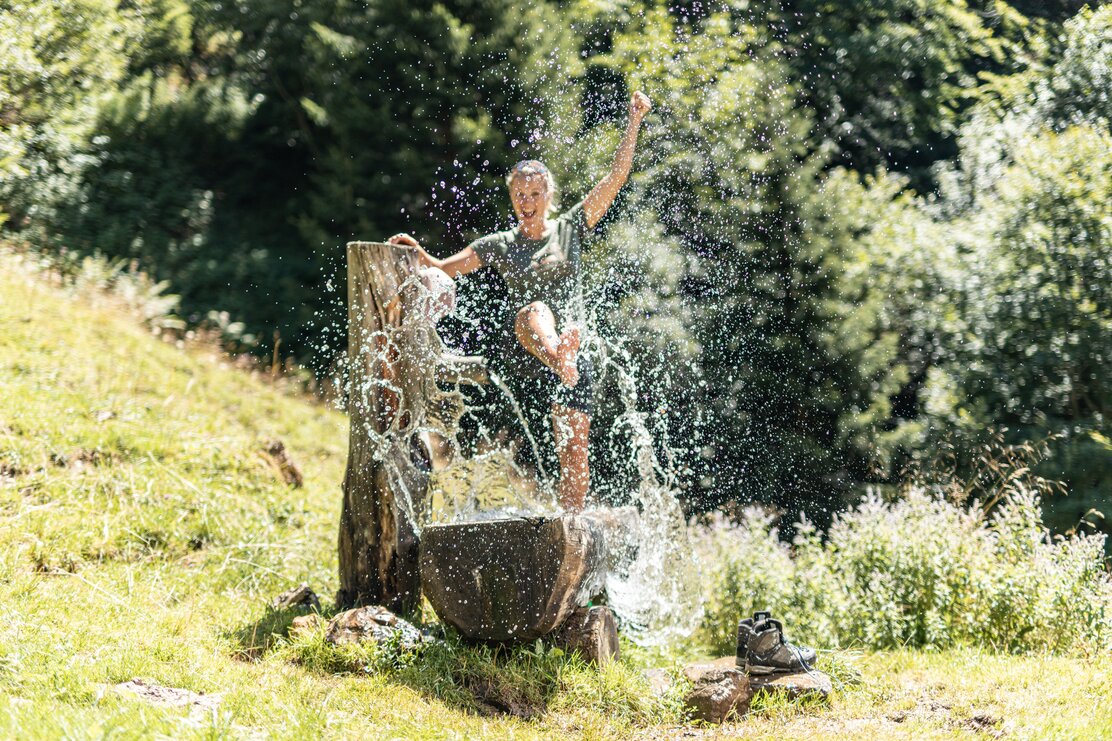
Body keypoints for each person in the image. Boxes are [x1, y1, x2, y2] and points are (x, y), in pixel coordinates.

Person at [388, 90, 652, 511]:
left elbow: (615, 178)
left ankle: (572, 524)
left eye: (534, 195)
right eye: (520, 197)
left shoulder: (570, 229)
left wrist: (634, 121)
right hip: (527, 350)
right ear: (513, 200)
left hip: (575, 354)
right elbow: (444, 267)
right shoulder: (500, 244)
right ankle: (557, 354)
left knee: (573, 446)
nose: (527, 204)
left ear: (549, 196)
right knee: (534, 311)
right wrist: (417, 253)